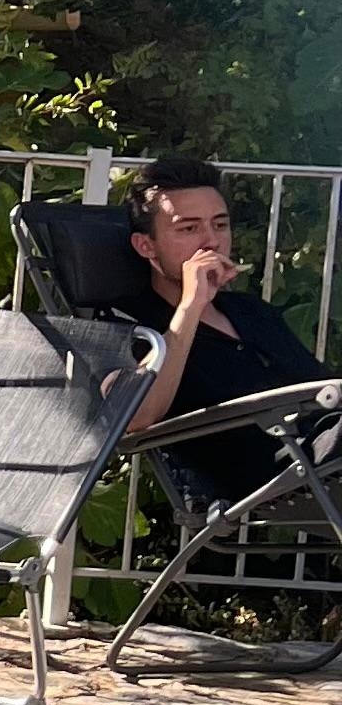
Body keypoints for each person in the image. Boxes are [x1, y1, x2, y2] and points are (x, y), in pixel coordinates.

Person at [115, 155, 332, 497]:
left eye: (219, 225)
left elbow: (320, 384)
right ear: (146, 246)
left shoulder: (252, 312)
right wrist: (191, 306)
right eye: (189, 228)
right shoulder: (130, 327)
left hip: (324, 458)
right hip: (266, 482)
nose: (211, 241)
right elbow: (135, 416)